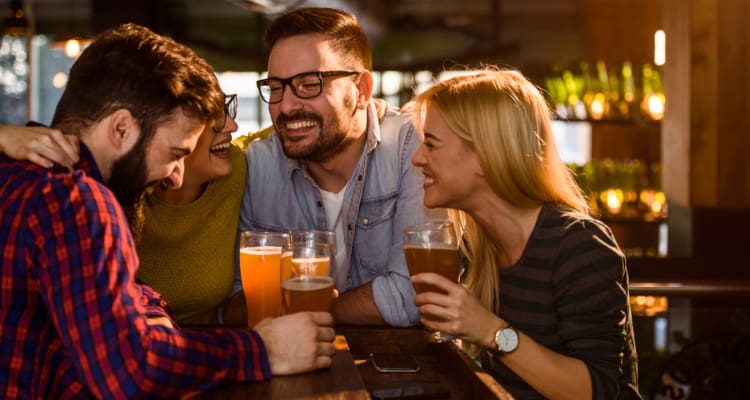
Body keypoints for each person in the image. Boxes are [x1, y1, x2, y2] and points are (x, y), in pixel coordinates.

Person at [0, 23, 334, 399]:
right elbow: (130, 372)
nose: (175, 178)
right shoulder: (78, 202)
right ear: (122, 128)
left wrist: (147, 308)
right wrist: (263, 350)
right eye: (176, 154)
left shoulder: (16, 175)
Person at [408, 68, 641, 399]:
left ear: (486, 157)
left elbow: (595, 391)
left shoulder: (580, 244)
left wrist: (490, 330)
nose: (418, 158)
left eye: (431, 144)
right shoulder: (477, 247)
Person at [240, 7, 443, 327]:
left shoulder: (411, 148)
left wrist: (308, 313)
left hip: (397, 364)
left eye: (309, 84)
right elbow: (240, 299)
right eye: (276, 88)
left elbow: (410, 296)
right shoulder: (259, 165)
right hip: (287, 364)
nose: (286, 106)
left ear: (361, 90)